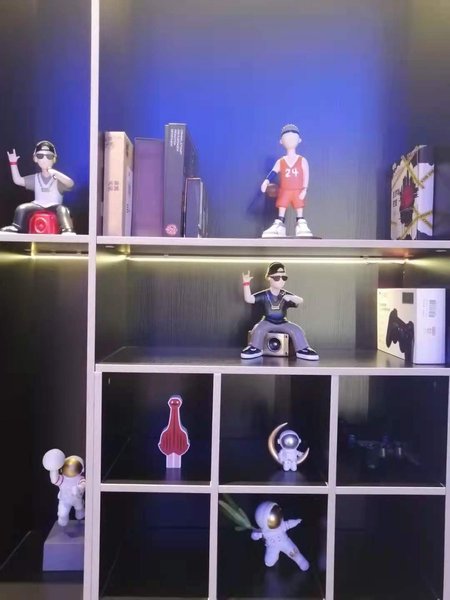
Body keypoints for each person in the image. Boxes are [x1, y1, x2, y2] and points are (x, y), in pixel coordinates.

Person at [240, 261, 319, 360]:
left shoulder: (284, 294)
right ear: (269, 278)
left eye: (284, 277)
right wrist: (246, 284)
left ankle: (303, 349)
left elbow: (300, 300)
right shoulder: (265, 294)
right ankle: (255, 348)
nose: (281, 280)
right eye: (277, 278)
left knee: (297, 330)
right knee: (258, 329)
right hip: (267, 321)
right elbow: (249, 299)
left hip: (283, 322)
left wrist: (291, 298)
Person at [2, 140, 75, 234]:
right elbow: (18, 180)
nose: (44, 159)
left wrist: (56, 173)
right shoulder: (35, 178)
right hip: (37, 205)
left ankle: (67, 229)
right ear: (35, 158)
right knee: (22, 209)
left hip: (55, 206)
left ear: (54, 159)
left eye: (49, 156)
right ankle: (17, 227)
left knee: (63, 210)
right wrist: (13, 163)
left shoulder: (58, 179)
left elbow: (70, 184)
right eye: (40, 156)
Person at [261, 124, 313, 238]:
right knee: (282, 205)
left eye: (293, 137)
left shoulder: (302, 160)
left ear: (299, 140)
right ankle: (280, 224)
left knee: (299, 205)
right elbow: (273, 172)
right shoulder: (281, 161)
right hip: (285, 190)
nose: (290, 140)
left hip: (297, 190)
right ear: (281, 141)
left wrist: (305, 189)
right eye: (287, 138)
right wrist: (266, 181)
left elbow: (306, 175)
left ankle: (300, 223)